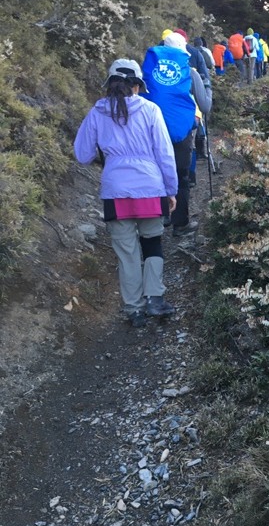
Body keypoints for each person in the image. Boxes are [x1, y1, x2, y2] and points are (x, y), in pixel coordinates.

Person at [74, 59, 178, 328]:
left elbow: (82, 155)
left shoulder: (96, 113)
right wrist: (171, 190)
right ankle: (155, 298)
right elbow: (165, 154)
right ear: (137, 85)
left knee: (126, 253)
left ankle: (134, 310)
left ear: (109, 84)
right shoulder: (150, 110)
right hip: (150, 187)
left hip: (115, 190)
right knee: (152, 243)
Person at [142, 32, 212, 235]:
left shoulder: (147, 69)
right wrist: (208, 88)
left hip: (152, 131)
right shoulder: (190, 72)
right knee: (180, 176)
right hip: (180, 133)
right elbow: (205, 106)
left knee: (156, 174)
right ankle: (180, 224)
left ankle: (158, 219)